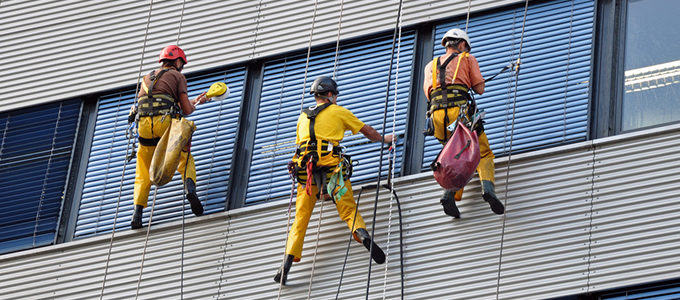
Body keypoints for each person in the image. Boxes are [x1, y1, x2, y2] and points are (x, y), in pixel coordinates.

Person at [274, 76, 395, 285]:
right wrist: (384, 139)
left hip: (307, 174)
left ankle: (286, 264)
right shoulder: (339, 112)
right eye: (335, 95)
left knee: (300, 219)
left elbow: (300, 146)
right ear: (329, 95)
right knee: (348, 210)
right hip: (332, 169)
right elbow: (367, 131)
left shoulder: (302, 117)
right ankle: (362, 234)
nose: (336, 98)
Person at [422, 28, 504, 218]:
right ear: (462, 45)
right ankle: (487, 190)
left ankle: (449, 194)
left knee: (455, 156)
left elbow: (429, 92)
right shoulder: (467, 58)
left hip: (436, 118)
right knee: (483, 153)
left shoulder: (430, 66)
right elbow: (480, 89)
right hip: (459, 114)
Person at [130, 45, 209, 229]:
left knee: (142, 171)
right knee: (185, 158)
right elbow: (186, 110)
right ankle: (190, 191)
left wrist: (196, 99)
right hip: (165, 125)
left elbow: (162, 102)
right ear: (178, 62)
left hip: (144, 127)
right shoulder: (178, 77)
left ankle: (137, 213)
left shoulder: (147, 77)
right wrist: (195, 105)